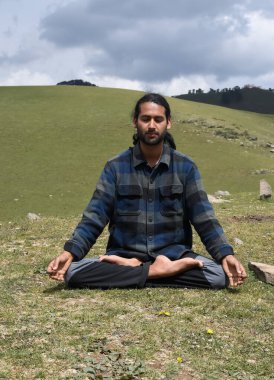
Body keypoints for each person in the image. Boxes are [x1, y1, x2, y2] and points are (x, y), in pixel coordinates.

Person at [47, 93, 247, 289]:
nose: (152, 125)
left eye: (158, 119)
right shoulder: (115, 167)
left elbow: (205, 218)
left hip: (174, 255)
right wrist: (71, 252)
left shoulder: (186, 167)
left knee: (219, 275)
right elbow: (94, 216)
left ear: (168, 123)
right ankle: (158, 272)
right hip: (123, 256)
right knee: (73, 271)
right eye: (146, 119)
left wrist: (224, 254)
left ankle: (140, 272)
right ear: (136, 121)